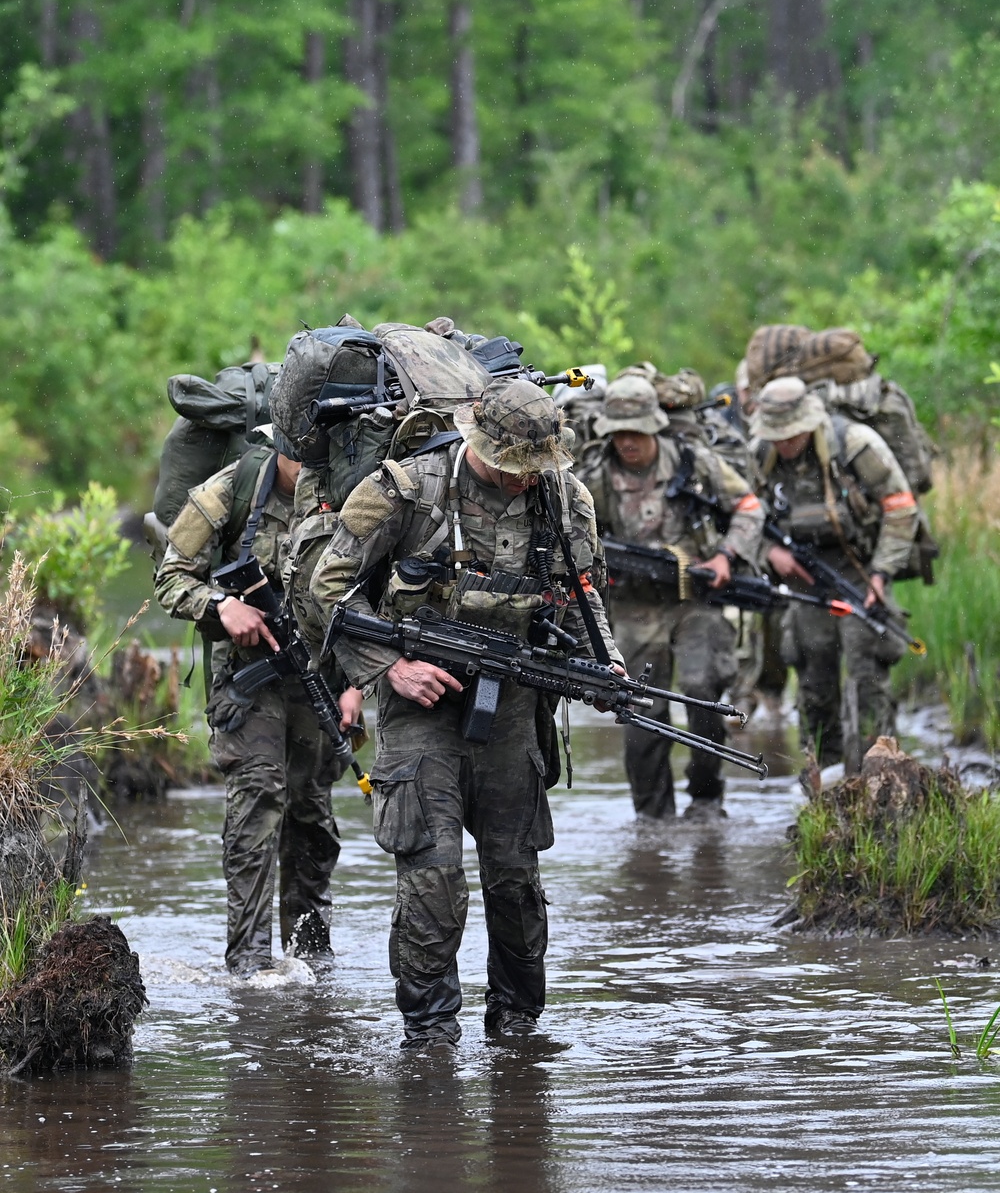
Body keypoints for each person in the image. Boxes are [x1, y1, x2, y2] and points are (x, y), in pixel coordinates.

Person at [306, 379, 623, 1051]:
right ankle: (430, 1034)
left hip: (512, 704)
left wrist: (606, 663)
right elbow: (326, 587)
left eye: (529, 470)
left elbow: (583, 590)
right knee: (433, 869)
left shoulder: (564, 495)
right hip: (421, 704)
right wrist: (387, 667)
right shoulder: (404, 488)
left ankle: (516, 1026)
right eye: (508, 470)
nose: (518, 483)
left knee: (514, 874)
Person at [154, 434, 363, 978]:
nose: (311, 468)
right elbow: (171, 577)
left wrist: (358, 684)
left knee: (312, 815)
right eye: (302, 456)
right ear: (281, 448)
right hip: (250, 682)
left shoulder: (350, 493)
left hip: (323, 677)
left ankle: (310, 958)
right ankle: (247, 965)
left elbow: (375, 589)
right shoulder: (231, 490)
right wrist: (220, 605)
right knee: (257, 806)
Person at [576, 375, 764, 820]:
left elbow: (749, 508)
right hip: (632, 605)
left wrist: (726, 556)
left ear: (656, 427)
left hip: (695, 598)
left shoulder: (691, 462)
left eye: (636, 432)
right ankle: (652, 818)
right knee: (642, 710)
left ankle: (706, 799)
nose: (627, 442)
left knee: (703, 690)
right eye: (618, 433)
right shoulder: (594, 476)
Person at [749, 377, 918, 771]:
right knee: (813, 678)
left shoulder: (856, 444)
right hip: (802, 577)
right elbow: (741, 514)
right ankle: (822, 785)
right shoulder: (759, 453)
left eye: (789, 435)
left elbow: (901, 507)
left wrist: (881, 572)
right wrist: (769, 551)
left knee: (866, 678)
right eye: (776, 435)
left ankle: (877, 776)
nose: (783, 443)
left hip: (860, 570)